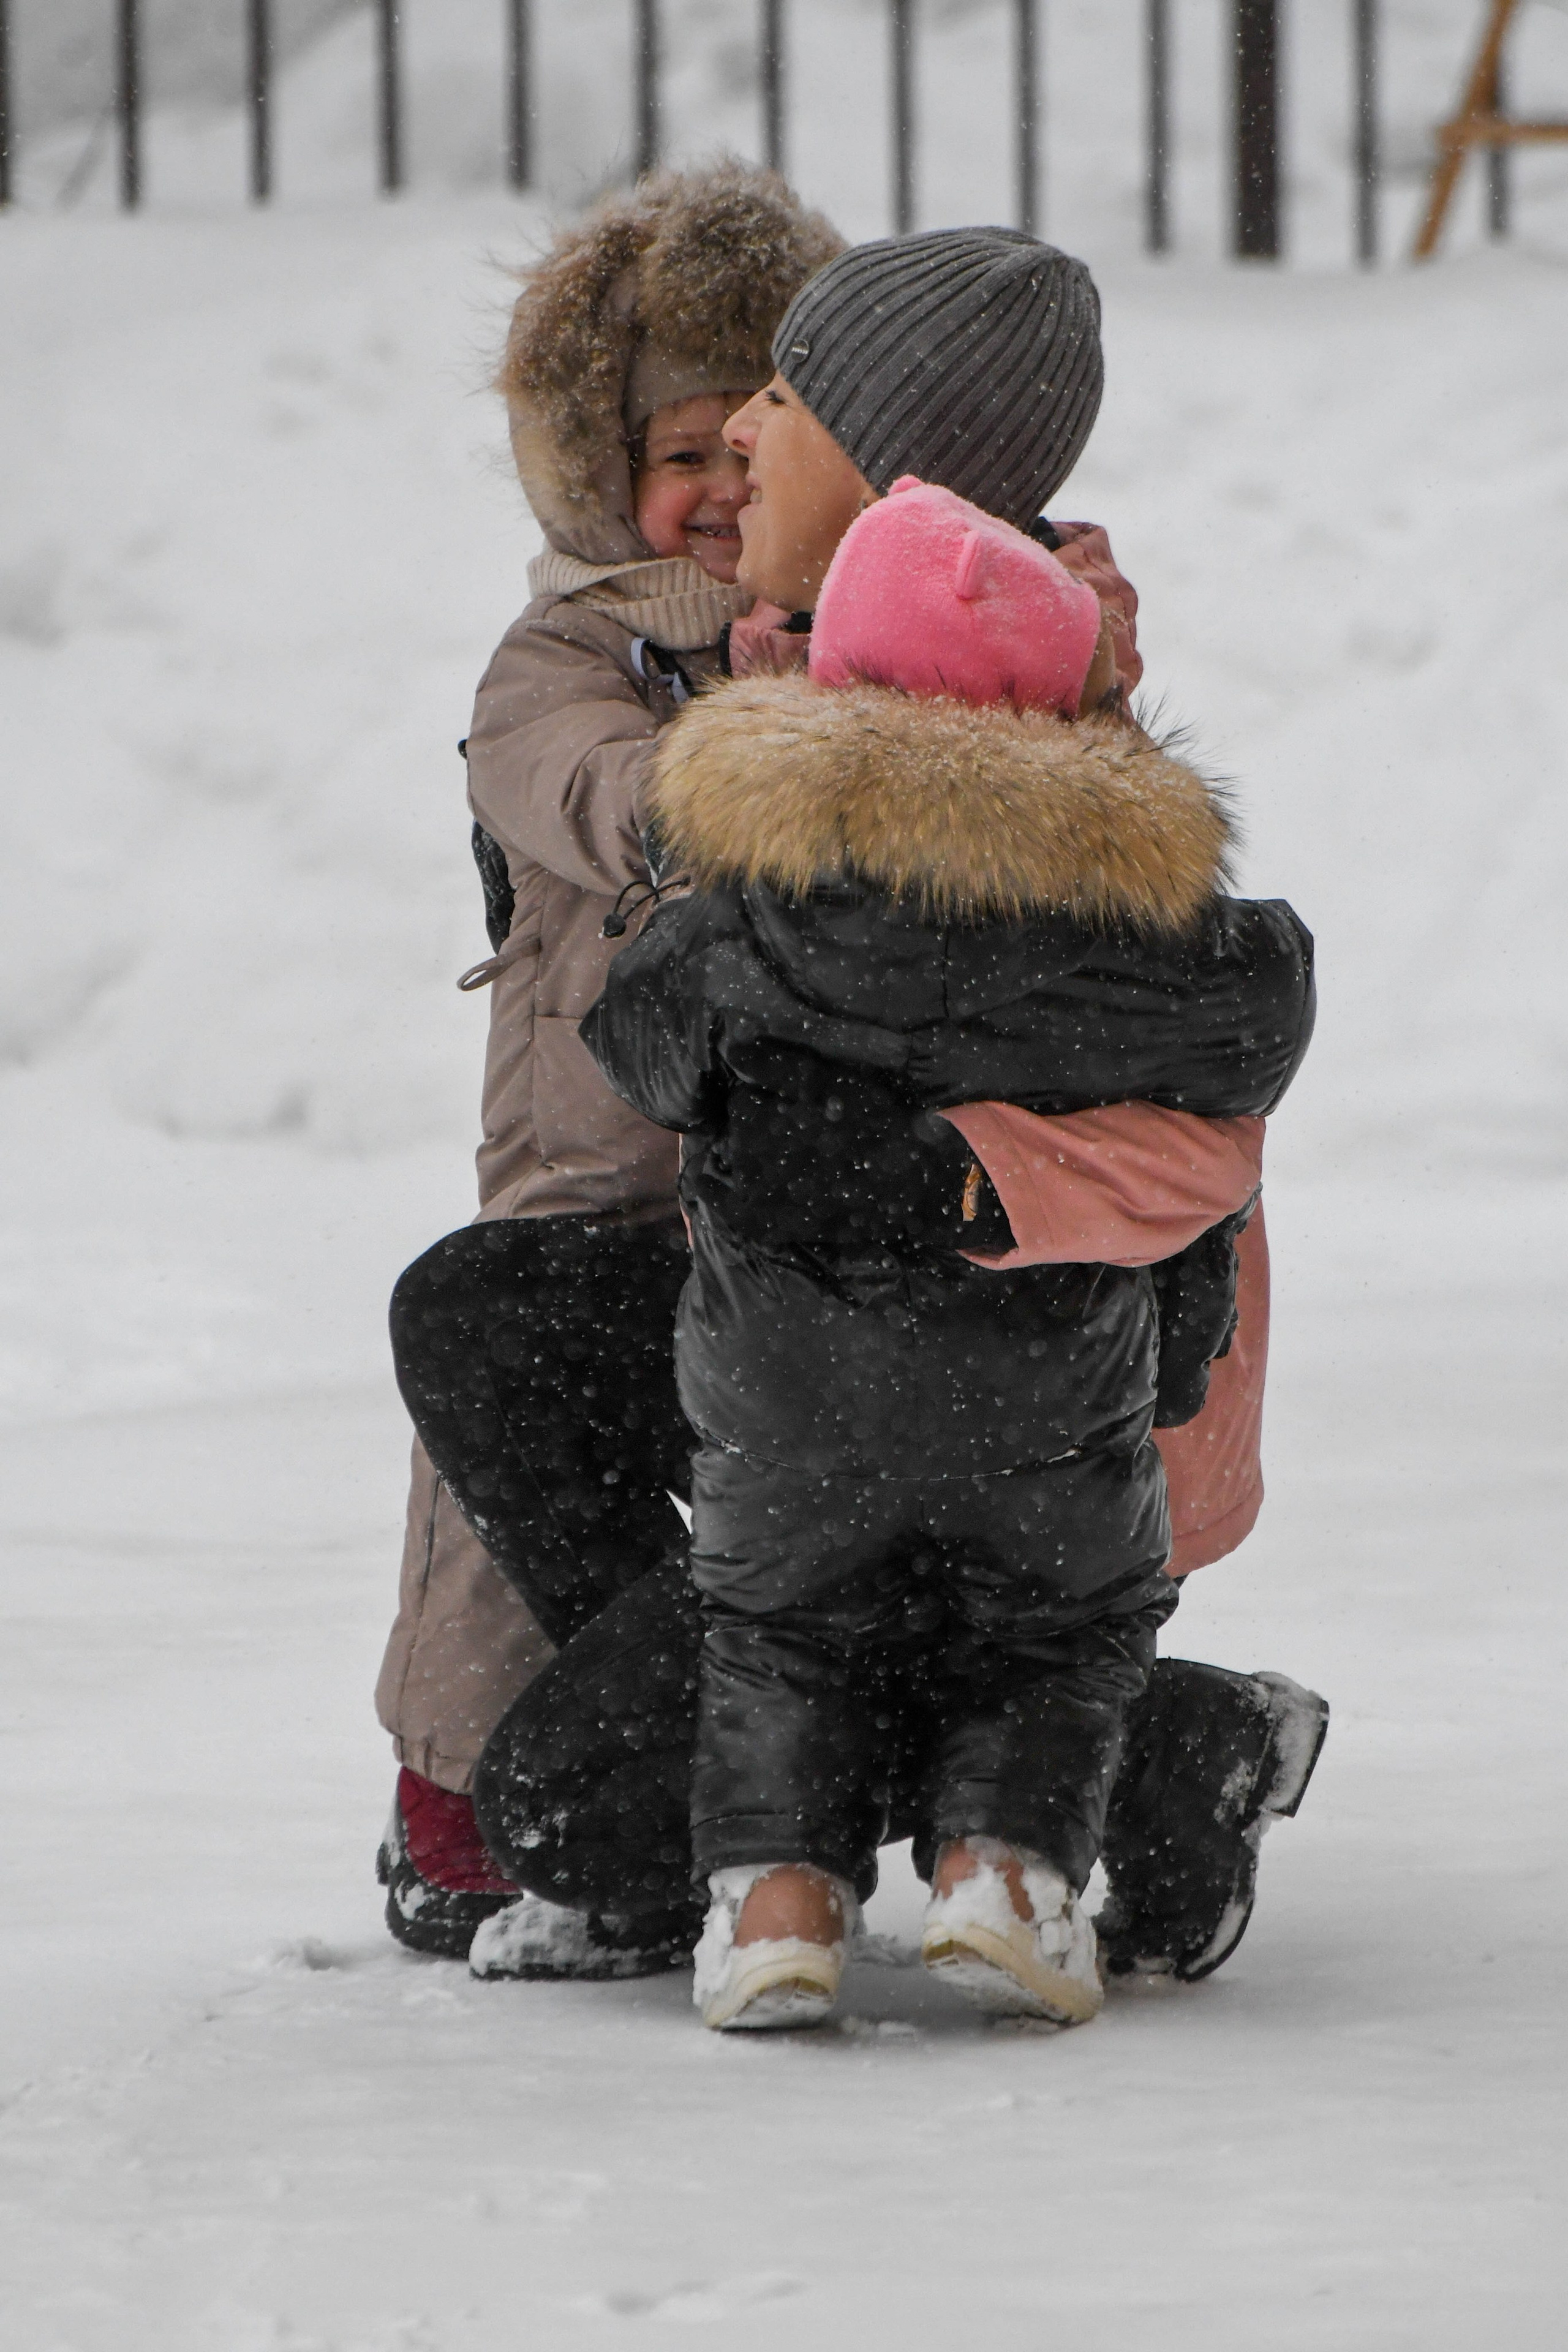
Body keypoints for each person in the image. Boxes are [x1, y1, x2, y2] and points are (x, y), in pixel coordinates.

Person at [396, 229, 1325, 1994]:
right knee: (485, 1312)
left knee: (581, 1813)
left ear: (899, 474)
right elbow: (668, 993)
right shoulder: (762, 665)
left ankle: (1121, 1745)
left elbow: (1203, 1119)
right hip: (791, 1366)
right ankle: (854, 1739)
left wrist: (943, 1182)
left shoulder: (1034, 700)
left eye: (782, 398)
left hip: (1048, 1410)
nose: (742, 431)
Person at [581, 429, 1316, 2028]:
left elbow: (634, 1033)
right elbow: (1262, 1012)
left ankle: (775, 1911)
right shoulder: (1124, 915)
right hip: (1046, 1376)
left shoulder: (762, 890)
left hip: (785, 1380)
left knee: (777, 1633)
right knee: (1053, 1631)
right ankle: (1007, 1879)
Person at [373, 161, 845, 1960]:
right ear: (603, 475)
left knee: (836, 1504)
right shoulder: (567, 656)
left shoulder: (872, 620)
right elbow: (579, 784)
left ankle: (730, 1777)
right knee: (495, 1497)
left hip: (786, 1208)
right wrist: (745, 753)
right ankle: (471, 1790)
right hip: (596, 1193)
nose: (725, 490)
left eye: (761, 442)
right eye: (682, 454)